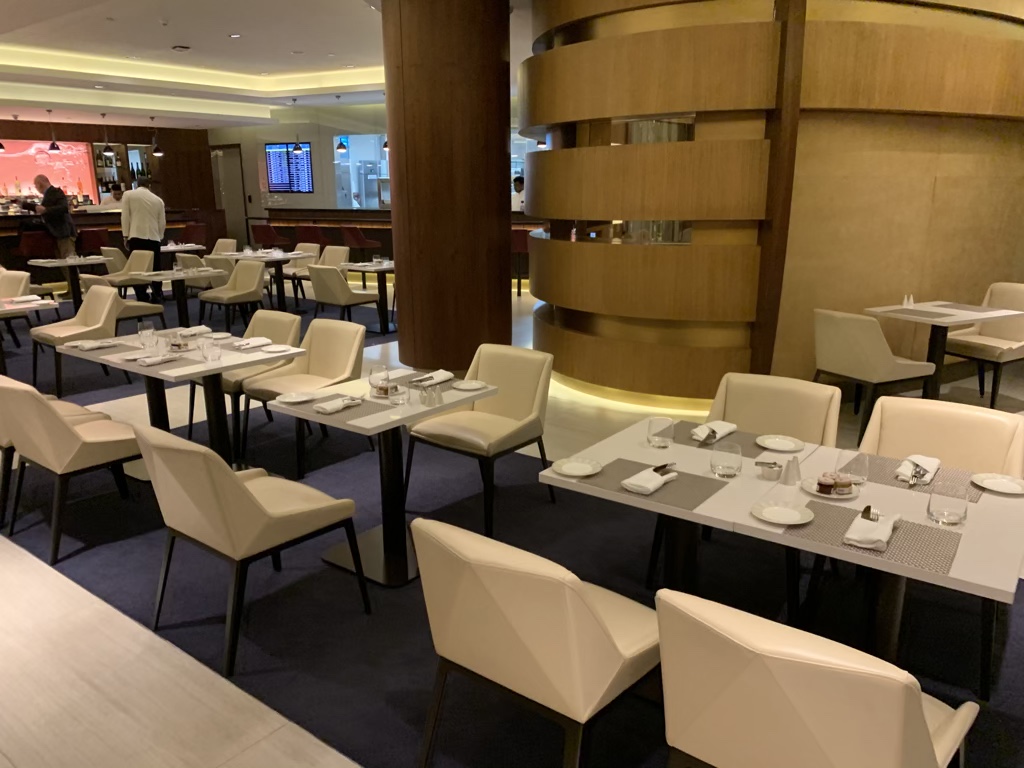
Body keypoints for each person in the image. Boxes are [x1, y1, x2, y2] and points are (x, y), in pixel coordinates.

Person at [121, 177, 166, 302]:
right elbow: (162, 222)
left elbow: (125, 216)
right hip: (154, 237)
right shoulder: (158, 200)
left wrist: (125, 235)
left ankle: (142, 295)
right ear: (149, 186)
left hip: (136, 235)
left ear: (137, 184)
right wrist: (160, 236)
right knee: (155, 267)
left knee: (138, 268)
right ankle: (157, 293)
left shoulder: (128, 195)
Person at [23, 175, 76, 258]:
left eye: (35, 185)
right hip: (58, 233)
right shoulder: (50, 193)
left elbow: (64, 208)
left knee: (69, 260)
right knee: (64, 260)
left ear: (39, 184)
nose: (36, 188)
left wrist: (46, 210)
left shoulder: (56, 192)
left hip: (64, 232)